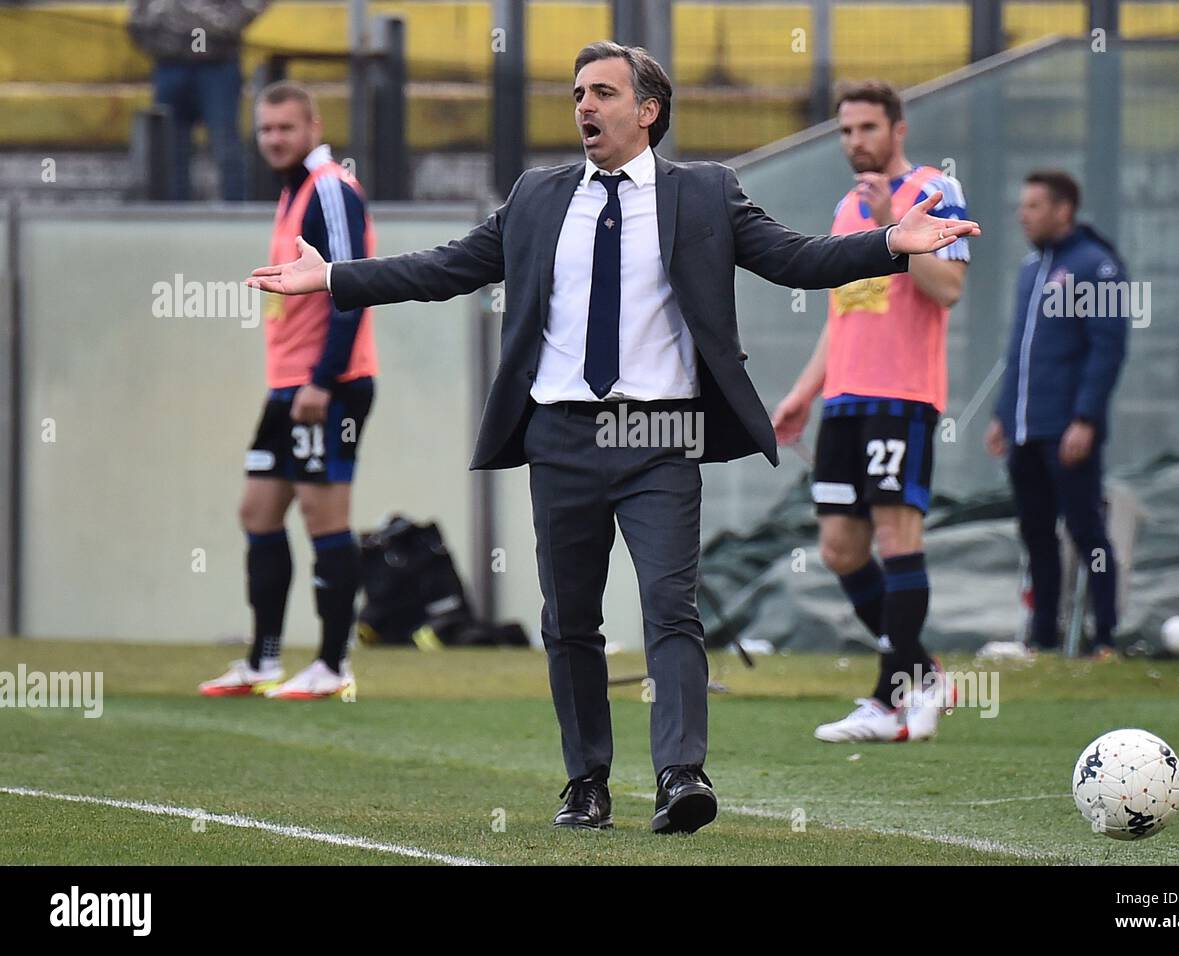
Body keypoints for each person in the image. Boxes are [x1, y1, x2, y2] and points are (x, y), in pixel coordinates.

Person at [247, 42, 979, 833]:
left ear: (648, 110)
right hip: (560, 434)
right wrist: (333, 279)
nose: (584, 107)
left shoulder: (703, 194)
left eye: (602, 92)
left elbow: (795, 258)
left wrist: (889, 247)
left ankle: (681, 776)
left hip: (661, 433)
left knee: (671, 607)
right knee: (568, 621)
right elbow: (446, 267)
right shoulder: (536, 196)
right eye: (576, 94)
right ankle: (586, 782)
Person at [771, 80, 971, 744]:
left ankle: (891, 698)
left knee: (896, 539)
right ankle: (923, 674)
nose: (855, 141)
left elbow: (948, 291)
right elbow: (842, 311)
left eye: (866, 128)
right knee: (838, 548)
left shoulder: (933, 189)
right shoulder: (846, 205)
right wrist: (803, 392)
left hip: (902, 397)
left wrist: (903, 231)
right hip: (845, 401)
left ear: (898, 129)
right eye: (846, 130)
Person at [201, 82, 379, 700]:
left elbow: (350, 285)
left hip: (327, 386)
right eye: (266, 129)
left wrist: (322, 380)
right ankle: (262, 660)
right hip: (288, 388)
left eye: (286, 127)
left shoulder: (329, 186)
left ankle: (333, 666)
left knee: (324, 517)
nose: (274, 138)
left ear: (312, 126)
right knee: (257, 511)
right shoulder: (292, 192)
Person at [984, 170, 1127, 659]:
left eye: (1033, 206)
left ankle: (1105, 635)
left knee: (1087, 530)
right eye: (1022, 206)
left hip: (1066, 429)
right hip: (1026, 427)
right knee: (1035, 531)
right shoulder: (1030, 269)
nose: (1023, 215)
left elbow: (1107, 349)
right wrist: (1004, 414)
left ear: (1063, 209)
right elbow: (1018, 352)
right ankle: (1042, 637)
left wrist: (1085, 418)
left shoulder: (1097, 265)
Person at [127, 0, 268, 200]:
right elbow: (137, 18)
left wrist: (217, 22)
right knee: (171, 148)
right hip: (170, 64)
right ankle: (173, 216)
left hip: (217, 66)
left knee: (225, 145)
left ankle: (236, 213)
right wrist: (155, 29)